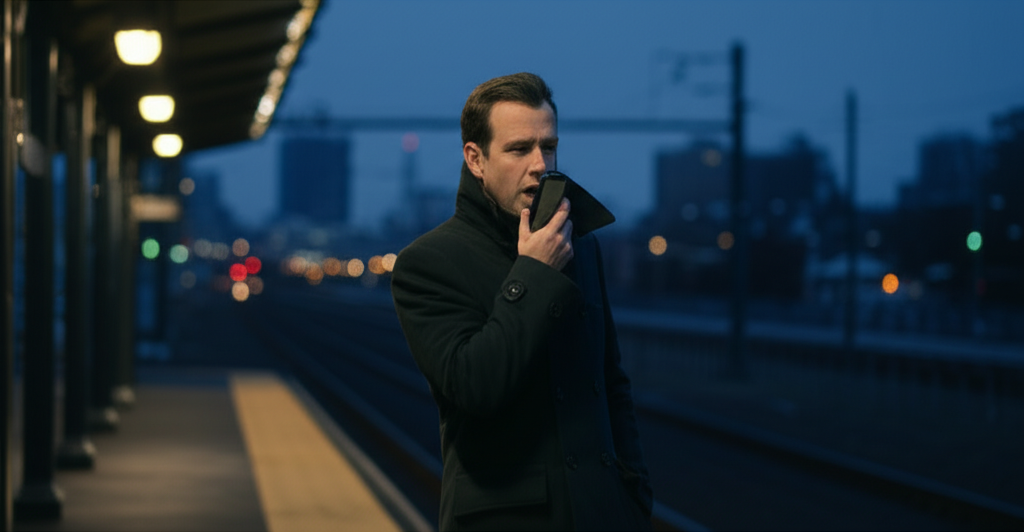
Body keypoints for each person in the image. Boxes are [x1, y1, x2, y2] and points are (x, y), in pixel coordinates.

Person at [391, 72, 652, 531]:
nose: (540, 164)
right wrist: (533, 273)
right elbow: (475, 385)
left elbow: (611, 381)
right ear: (476, 159)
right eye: (518, 149)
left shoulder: (580, 245)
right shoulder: (428, 263)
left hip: (602, 515)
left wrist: (633, 493)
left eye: (548, 147)